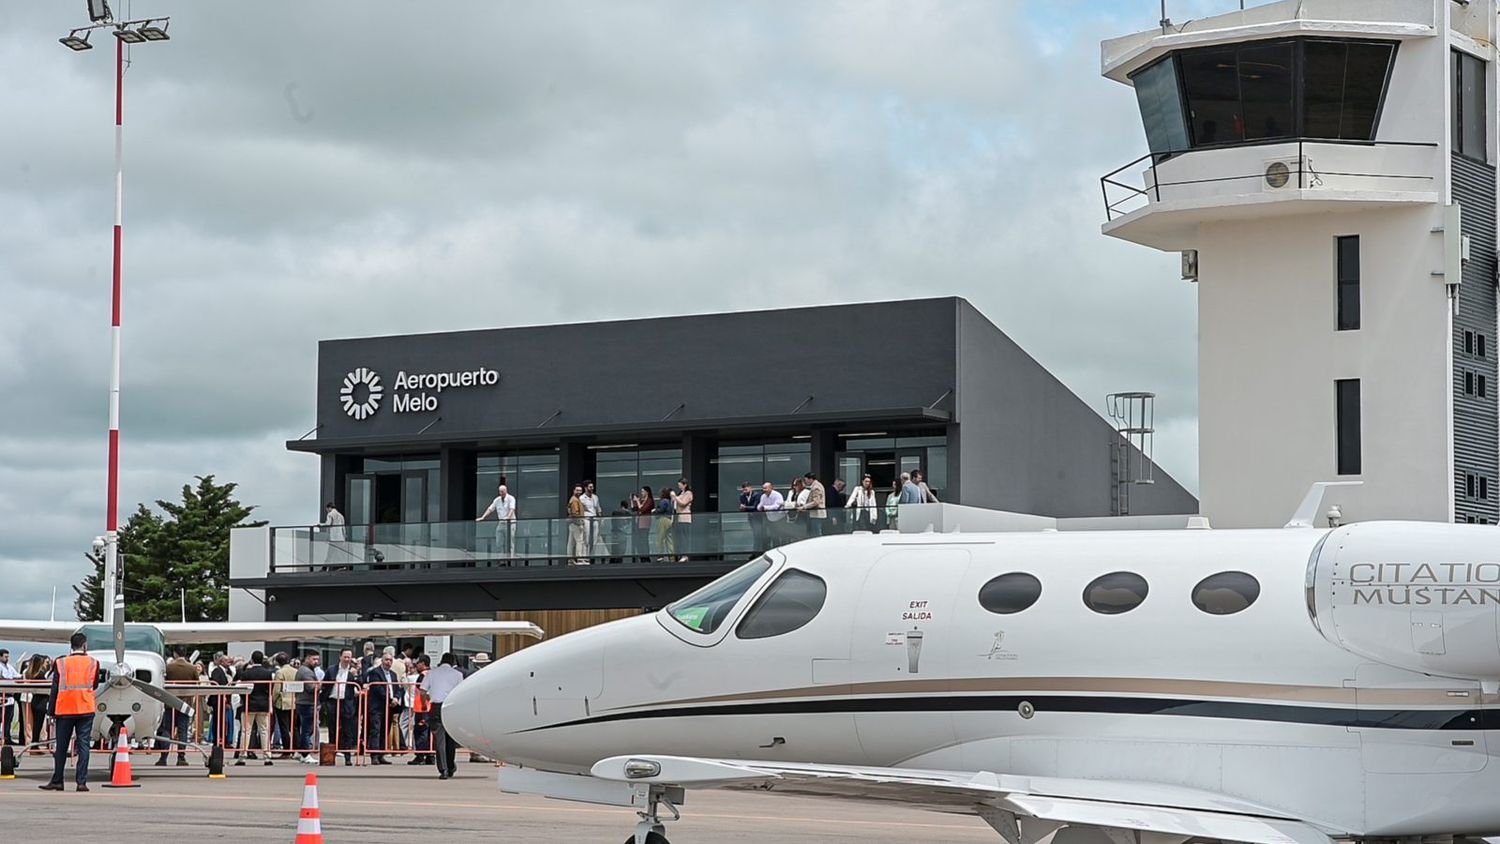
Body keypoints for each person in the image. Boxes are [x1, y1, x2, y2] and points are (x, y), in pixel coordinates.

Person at [39, 632, 102, 792]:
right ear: (85, 645)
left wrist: (50, 710)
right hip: (86, 708)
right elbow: (94, 684)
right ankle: (81, 782)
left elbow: (54, 689)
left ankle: (58, 780)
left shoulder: (60, 663)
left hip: (65, 709)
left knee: (61, 747)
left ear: (71, 645)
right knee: (83, 745)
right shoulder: (94, 663)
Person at [420, 652, 466, 780]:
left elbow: (422, 690)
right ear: (453, 662)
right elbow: (460, 693)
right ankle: (451, 766)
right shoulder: (458, 674)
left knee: (439, 740)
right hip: (451, 707)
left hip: (436, 706)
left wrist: (425, 704)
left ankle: (443, 769)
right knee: (450, 740)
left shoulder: (432, 673)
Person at [154, 648, 196, 766]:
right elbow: (197, 684)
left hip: (170, 702)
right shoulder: (192, 668)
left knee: (167, 729)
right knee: (183, 731)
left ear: (175, 654)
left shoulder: (169, 667)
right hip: (185, 704)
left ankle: (163, 757)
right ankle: (181, 757)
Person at [235, 651, 275, 766]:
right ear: (262, 660)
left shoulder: (246, 673)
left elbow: (241, 689)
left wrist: (244, 698)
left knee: (245, 731)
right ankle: (267, 756)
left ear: (252, 660)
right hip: (263, 704)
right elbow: (270, 689)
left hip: (249, 703)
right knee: (264, 730)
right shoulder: (267, 673)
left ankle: (242, 755)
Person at [363, 653, 402, 764]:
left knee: (385, 730)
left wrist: (396, 698)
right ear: (382, 661)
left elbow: (397, 688)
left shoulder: (393, 674)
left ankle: (381, 754)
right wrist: (390, 699)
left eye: (390, 660)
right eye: (386, 660)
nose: (388, 662)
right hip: (377, 706)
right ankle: (374, 754)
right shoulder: (375, 672)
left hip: (389, 707)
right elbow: (378, 689)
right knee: (376, 730)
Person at [326, 649, 361, 765]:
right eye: (345, 657)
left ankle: (347, 757)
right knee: (332, 729)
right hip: (333, 701)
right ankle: (330, 757)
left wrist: (356, 674)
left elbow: (360, 684)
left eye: (349, 657)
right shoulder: (332, 670)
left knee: (347, 730)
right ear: (340, 657)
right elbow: (325, 685)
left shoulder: (352, 672)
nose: (347, 660)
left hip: (347, 703)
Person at [476, 483, 517, 559]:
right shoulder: (497, 500)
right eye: (500, 491)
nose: (501, 493)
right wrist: (483, 517)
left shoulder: (511, 498)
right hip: (501, 523)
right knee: (499, 542)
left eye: (502, 491)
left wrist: (508, 517)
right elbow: (490, 509)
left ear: (506, 491)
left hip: (510, 523)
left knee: (510, 542)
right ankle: (501, 559)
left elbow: (512, 509)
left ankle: (510, 559)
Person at [294, 652, 320, 763]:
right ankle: (305, 754)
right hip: (307, 703)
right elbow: (311, 688)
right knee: (307, 730)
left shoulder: (303, 670)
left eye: (317, 659)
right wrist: (319, 685)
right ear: (308, 659)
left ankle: (300, 752)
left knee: (305, 729)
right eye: (314, 659)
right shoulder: (306, 672)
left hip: (303, 702)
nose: (316, 662)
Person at [23, 655, 51, 752]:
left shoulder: (30, 673)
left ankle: (34, 744)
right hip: (41, 701)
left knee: (35, 724)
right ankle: (34, 746)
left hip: (35, 700)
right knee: (38, 725)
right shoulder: (41, 675)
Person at [271, 653, 297, 758]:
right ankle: (296, 748)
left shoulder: (280, 672)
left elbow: (277, 689)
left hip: (282, 702)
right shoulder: (296, 671)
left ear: (277, 662)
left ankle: (287, 750)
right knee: (294, 727)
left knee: (284, 727)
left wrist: (273, 700)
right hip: (294, 701)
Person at [757, 481, 786, 547]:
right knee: (774, 537)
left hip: (780, 519)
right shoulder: (763, 496)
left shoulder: (777, 495)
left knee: (783, 536)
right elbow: (759, 506)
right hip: (770, 520)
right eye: (763, 488)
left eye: (765, 488)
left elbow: (776, 506)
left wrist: (765, 507)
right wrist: (760, 508)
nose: (764, 490)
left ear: (771, 488)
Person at [672, 478, 694, 561]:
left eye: (680, 485)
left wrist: (675, 497)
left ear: (685, 484)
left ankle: (686, 555)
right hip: (679, 518)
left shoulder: (689, 493)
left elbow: (683, 503)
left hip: (685, 518)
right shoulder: (681, 493)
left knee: (685, 537)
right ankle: (682, 555)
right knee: (680, 538)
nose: (679, 487)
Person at [566, 484, 589, 565]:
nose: (579, 492)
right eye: (577, 490)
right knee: (579, 541)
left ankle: (570, 560)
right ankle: (579, 559)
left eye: (580, 490)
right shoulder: (575, 500)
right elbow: (575, 513)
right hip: (576, 523)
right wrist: (580, 523)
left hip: (572, 523)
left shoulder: (574, 499)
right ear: (574, 491)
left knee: (571, 543)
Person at [319, 502, 347, 567]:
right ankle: (342, 566)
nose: (327, 511)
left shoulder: (330, 514)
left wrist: (320, 525)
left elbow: (328, 524)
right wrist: (344, 538)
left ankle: (325, 568)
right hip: (341, 538)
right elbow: (344, 528)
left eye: (327, 509)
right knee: (339, 553)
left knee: (330, 553)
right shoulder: (341, 515)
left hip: (334, 538)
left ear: (329, 508)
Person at [738, 481, 763, 550]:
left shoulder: (757, 495)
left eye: (746, 490)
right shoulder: (742, 496)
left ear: (751, 488)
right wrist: (743, 508)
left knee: (758, 535)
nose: (744, 491)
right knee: (754, 534)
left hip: (758, 518)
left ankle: (757, 549)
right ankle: (755, 549)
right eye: (743, 490)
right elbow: (742, 507)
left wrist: (745, 507)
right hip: (750, 517)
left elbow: (755, 507)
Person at [652, 488, 676, 560]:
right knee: (669, 540)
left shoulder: (663, 501)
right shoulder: (669, 501)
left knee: (660, 538)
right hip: (669, 520)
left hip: (662, 520)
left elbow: (661, 510)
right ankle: (672, 557)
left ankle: (660, 556)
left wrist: (654, 511)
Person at [0, 649, 18, 746]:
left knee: (8, 718)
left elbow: (16, 675)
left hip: (10, 696)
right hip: (2, 696)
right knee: (1, 718)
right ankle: (2, 737)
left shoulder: (9, 667)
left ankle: (7, 737)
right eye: (5, 657)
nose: (7, 658)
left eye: (8, 657)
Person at [580, 480, 602, 556]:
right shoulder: (582, 498)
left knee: (595, 538)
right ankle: (585, 555)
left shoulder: (595, 497)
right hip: (586, 519)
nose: (592, 488)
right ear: (585, 488)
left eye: (592, 487)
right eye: (590, 487)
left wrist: (600, 518)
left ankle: (592, 555)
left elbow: (598, 508)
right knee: (586, 538)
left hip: (595, 518)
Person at [633, 486, 655, 562]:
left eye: (643, 491)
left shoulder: (649, 500)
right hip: (640, 522)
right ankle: (642, 555)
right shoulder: (644, 501)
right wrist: (634, 501)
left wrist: (638, 501)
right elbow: (636, 509)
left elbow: (642, 510)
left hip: (645, 522)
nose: (641, 493)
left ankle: (646, 556)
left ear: (647, 492)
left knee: (644, 539)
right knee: (641, 540)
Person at [802, 472, 828, 537]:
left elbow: (816, 502)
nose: (805, 482)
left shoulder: (816, 487)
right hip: (815, 514)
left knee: (817, 534)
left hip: (817, 514)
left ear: (810, 479)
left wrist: (804, 507)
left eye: (806, 480)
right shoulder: (816, 486)